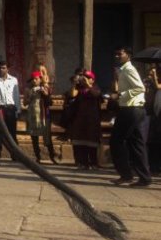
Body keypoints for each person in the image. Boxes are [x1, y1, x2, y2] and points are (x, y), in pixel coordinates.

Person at [108, 47, 149, 186]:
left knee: (116, 141)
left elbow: (140, 88)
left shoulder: (129, 69)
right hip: (134, 109)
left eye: (120, 53)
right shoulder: (122, 71)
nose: (117, 56)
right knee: (137, 144)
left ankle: (126, 175)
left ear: (128, 55)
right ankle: (144, 178)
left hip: (130, 110)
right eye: (116, 53)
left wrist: (120, 95)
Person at [61, 69, 103, 170]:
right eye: (84, 77)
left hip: (92, 121)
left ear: (93, 80)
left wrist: (88, 85)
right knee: (80, 143)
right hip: (79, 121)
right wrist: (75, 84)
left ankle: (93, 163)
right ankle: (81, 162)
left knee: (91, 143)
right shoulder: (79, 90)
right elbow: (72, 95)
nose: (85, 80)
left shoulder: (95, 88)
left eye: (88, 78)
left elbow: (96, 95)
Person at [24, 70, 58, 164]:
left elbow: (50, 102)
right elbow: (25, 103)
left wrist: (45, 93)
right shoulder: (28, 89)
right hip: (33, 116)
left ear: (40, 79)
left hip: (43, 116)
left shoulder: (45, 88)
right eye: (33, 79)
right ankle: (38, 158)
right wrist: (30, 95)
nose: (34, 81)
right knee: (34, 138)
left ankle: (52, 157)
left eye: (36, 79)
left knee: (47, 138)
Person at [0, 60, 20, 160]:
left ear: (7, 69)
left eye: (3, 68)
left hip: (11, 108)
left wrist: (18, 110)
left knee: (12, 133)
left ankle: (15, 155)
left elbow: (16, 96)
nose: (1, 70)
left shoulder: (13, 80)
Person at [145, 63, 161, 175]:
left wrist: (155, 75)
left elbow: (159, 86)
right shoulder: (150, 85)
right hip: (155, 114)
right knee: (153, 142)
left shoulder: (157, 84)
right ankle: (153, 167)